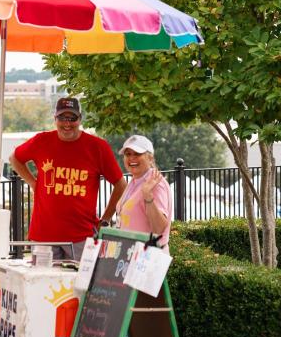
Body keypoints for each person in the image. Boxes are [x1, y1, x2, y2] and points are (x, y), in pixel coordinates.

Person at [10, 97, 127, 260]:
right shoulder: (41, 141)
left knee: (81, 284)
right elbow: (15, 158)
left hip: (81, 237)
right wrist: (32, 183)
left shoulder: (97, 147)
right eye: (62, 118)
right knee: (43, 284)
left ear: (80, 119)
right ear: (55, 119)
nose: (67, 123)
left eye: (72, 118)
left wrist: (106, 219)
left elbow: (121, 184)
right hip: (44, 236)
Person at [116, 135, 172, 253]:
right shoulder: (135, 180)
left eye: (137, 154)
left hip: (148, 258)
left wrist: (147, 195)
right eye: (128, 154)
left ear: (150, 158)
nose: (132, 158)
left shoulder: (156, 183)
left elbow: (159, 228)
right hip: (132, 254)